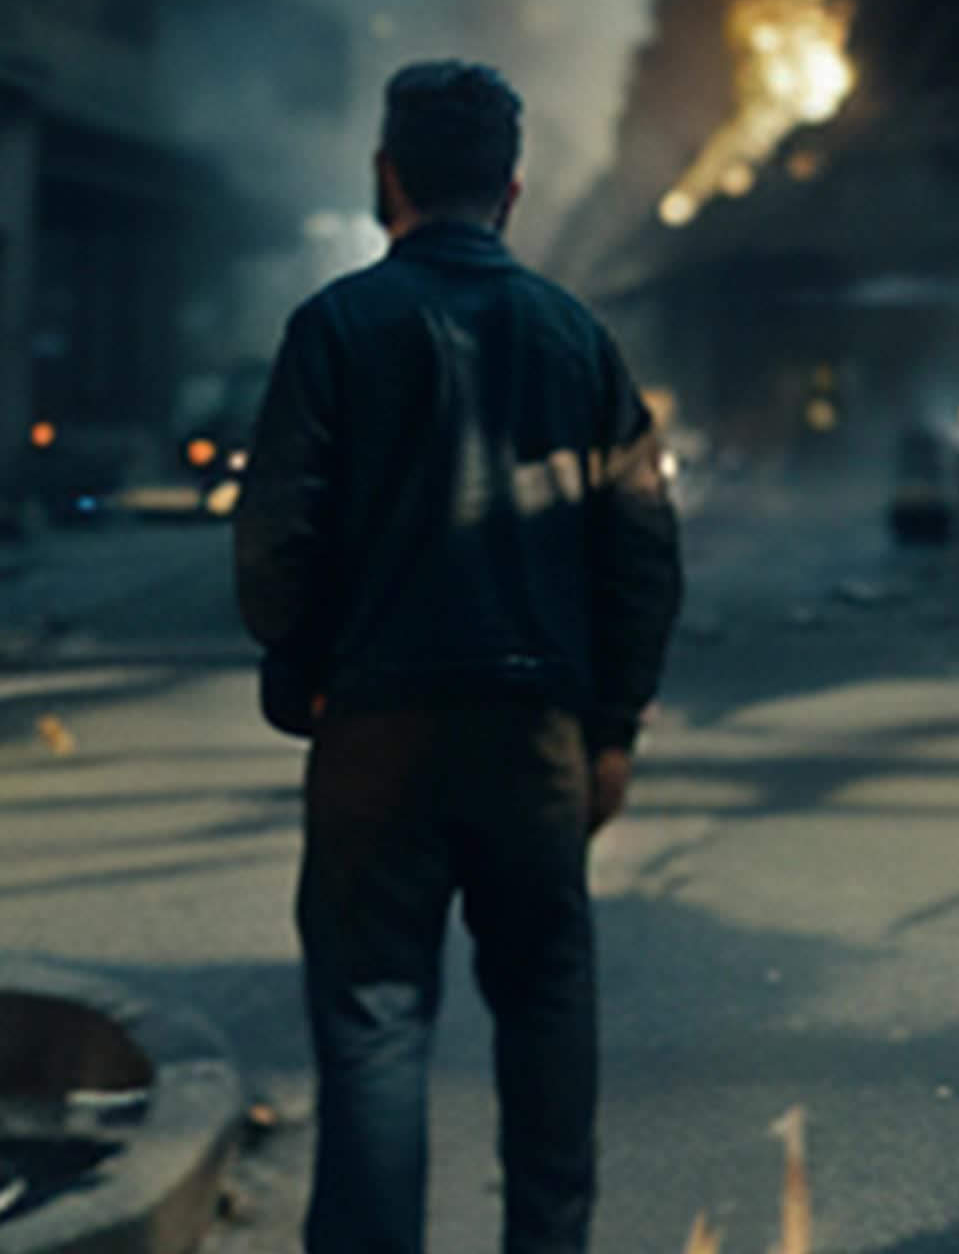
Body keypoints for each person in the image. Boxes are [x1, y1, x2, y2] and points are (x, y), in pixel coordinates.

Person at [234, 60, 682, 1254]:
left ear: (388, 178)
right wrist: (615, 726)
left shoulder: (333, 327)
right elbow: (641, 550)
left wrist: (307, 666)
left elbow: (276, 542)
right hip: (536, 731)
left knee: (378, 1018)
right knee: (543, 998)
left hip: (374, 727)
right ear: (513, 192)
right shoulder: (576, 339)